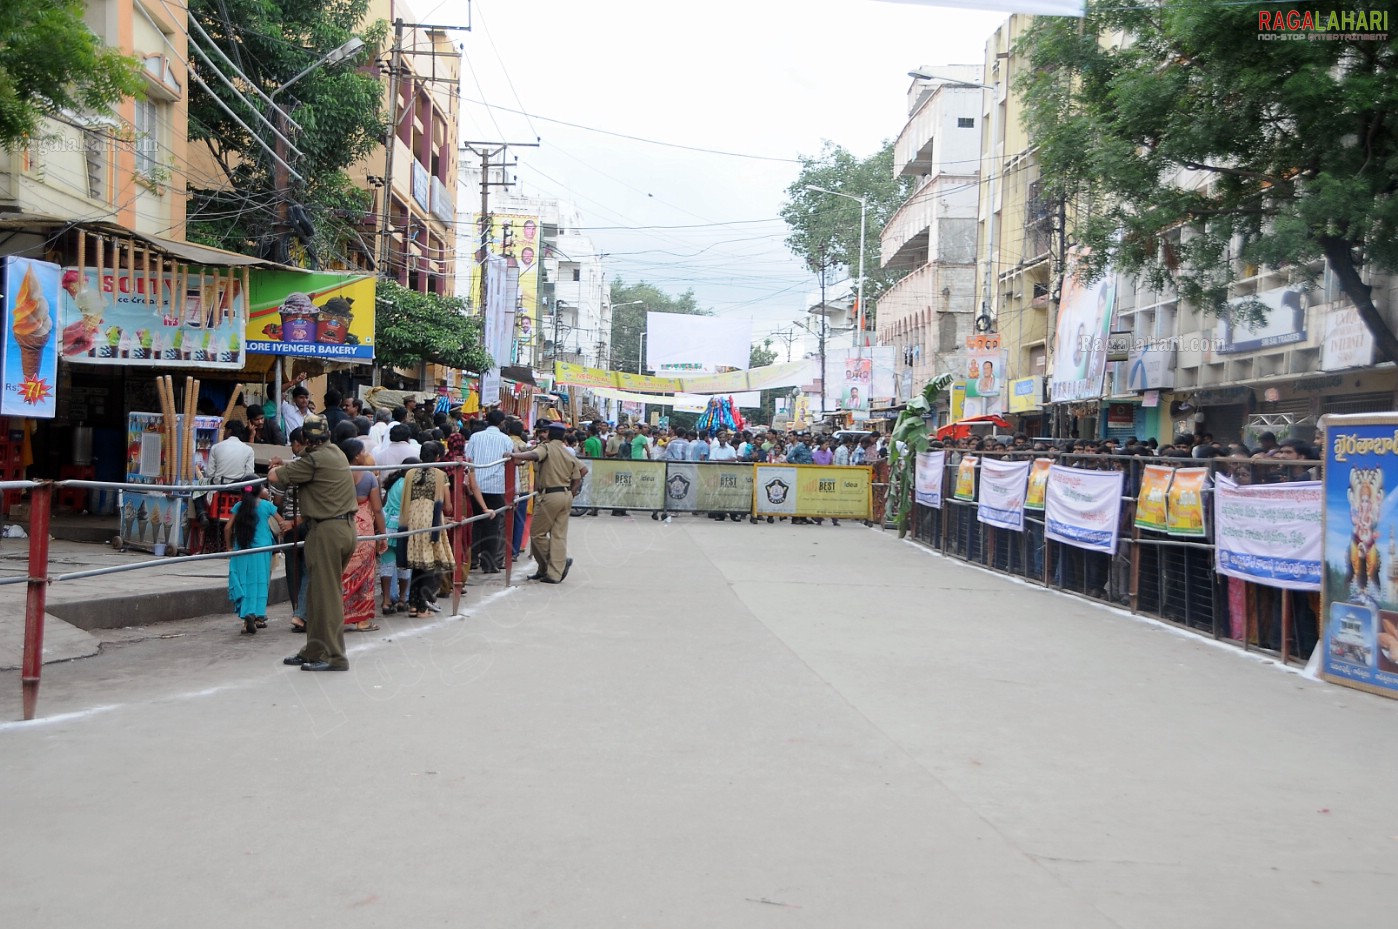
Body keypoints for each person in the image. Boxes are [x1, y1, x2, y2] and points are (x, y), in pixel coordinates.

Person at [268, 413, 358, 672]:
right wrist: (286, 462)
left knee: (327, 597)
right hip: (342, 529)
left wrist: (277, 467)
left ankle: (335, 657)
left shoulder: (315, 459)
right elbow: (305, 466)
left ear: (305, 439)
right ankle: (314, 650)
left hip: (327, 531)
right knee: (318, 594)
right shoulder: (335, 453)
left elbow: (276, 478)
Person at [404, 441, 477, 616]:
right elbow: (448, 506)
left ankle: (413, 604)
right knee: (430, 562)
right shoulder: (440, 475)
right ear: (438, 457)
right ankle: (423, 606)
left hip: (412, 518)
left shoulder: (410, 473)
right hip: (432, 519)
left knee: (416, 562)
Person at [509, 421, 585, 583]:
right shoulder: (566, 452)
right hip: (565, 495)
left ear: (549, 434)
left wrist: (514, 455)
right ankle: (551, 571)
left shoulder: (547, 447)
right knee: (558, 535)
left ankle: (555, 564)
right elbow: (582, 471)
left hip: (550, 495)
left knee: (537, 533)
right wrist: (571, 492)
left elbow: (534, 455)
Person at [339, 439, 387, 632]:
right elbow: (377, 509)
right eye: (364, 452)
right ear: (357, 455)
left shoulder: (337, 474)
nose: (366, 455)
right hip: (363, 528)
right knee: (365, 574)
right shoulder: (368, 478)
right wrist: (382, 534)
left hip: (340, 524)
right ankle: (362, 620)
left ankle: (336, 616)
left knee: (341, 572)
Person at [225, 481, 284, 636]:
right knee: (260, 581)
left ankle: (247, 618)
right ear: (258, 491)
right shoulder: (266, 506)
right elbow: (281, 523)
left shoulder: (239, 506)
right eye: (264, 487)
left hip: (242, 549)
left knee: (243, 580)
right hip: (262, 550)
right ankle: (257, 615)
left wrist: (229, 547)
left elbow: (227, 528)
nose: (266, 490)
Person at [466, 409, 515, 571]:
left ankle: (472, 560)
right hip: (496, 486)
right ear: (501, 423)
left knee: (476, 524)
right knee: (493, 526)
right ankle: (488, 564)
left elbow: (468, 459)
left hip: (476, 485)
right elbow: (510, 463)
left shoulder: (475, 437)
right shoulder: (506, 439)